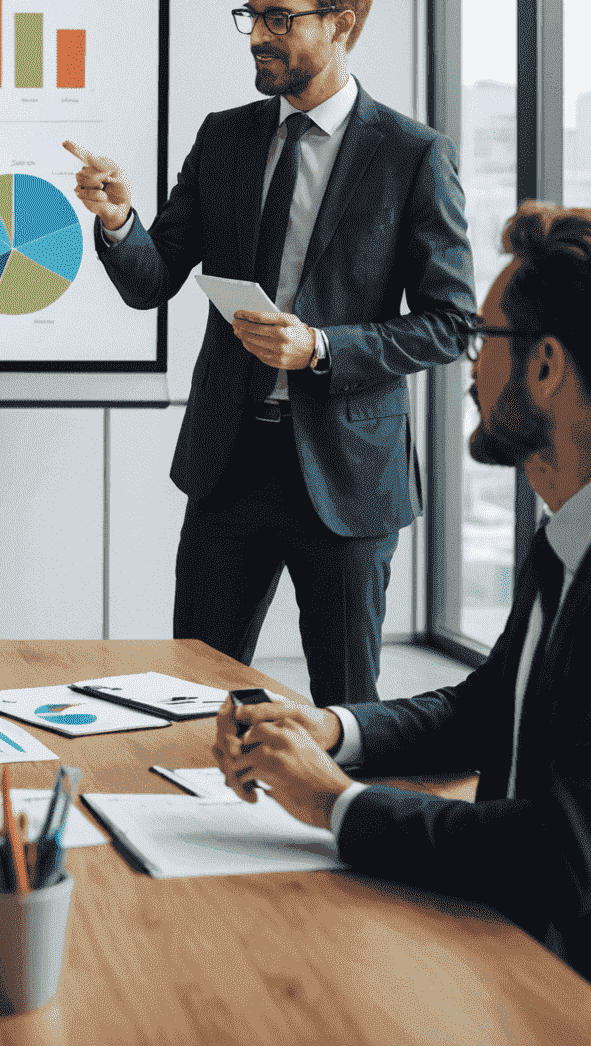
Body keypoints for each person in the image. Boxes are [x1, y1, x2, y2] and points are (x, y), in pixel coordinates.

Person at [69, 0, 474, 704]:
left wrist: (321, 346)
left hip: (347, 478)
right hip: (230, 466)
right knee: (190, 697)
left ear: (342, 23)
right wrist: (121, 221)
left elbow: (451, 322)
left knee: (345, 710)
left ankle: (342, 829)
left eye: (279, 18)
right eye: (250, 15)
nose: (257, 35)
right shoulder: (225, 137)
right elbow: (152, 281)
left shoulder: (412, 155)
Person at [214, 203, 591, 981]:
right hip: (503, 943)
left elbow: (560, 857)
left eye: (485, 341)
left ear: (546, 365)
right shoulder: (565, 539)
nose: (469, 367)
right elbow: (487, 710)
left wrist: (333, 804)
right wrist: (330, 731)